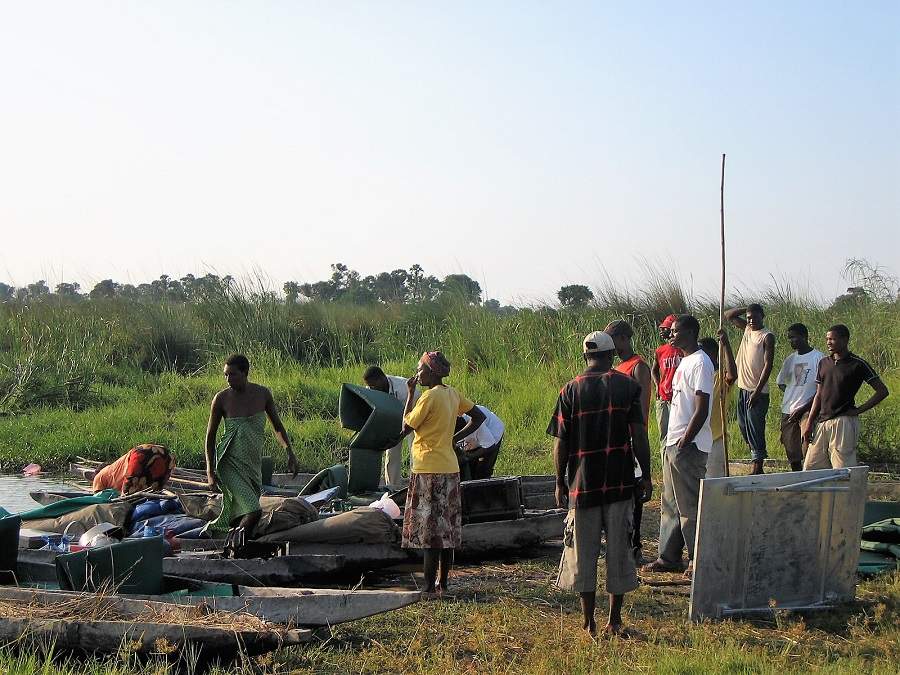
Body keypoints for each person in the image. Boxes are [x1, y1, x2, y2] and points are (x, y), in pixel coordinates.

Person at [548, 331, 652, 637]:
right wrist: (645, 475)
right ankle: (614, 620)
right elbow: (640, 436)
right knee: (619, 551)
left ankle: (588, 622)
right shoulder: (627, 386)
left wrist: (559, 482)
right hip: (619, 483)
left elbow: (561, 443)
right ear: (610, 355)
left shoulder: (570, 390)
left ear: (586, 357)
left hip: (583, 486)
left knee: (584, 553)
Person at [393, 351, 485, 597]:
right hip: (450, 468)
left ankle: (427, 587)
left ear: (431, 372)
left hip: (428, 469)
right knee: (447, 530)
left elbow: (406, 425)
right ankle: (443, 584)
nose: (417, 373)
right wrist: (452, 439)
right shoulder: (452, 394)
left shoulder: (428, 397)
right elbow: (479, 417)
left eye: (420, 369)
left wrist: (410, 394)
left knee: (430, 531)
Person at [642, 315, 714, 580]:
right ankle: (669, 556)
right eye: (670, 331)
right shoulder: (684, 361)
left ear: (692, 332)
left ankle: (698, 559)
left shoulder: (701, 362)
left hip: (689, 445)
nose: (672, 335)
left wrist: (686, 439)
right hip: (673, 441)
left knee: (690, 505)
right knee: (671, 503)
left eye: (677, 331)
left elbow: (701, 408)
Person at [204, 354, 299, 540]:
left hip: (252, 465)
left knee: (243, 511)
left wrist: (290, 452)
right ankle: (235, 546)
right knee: (254, 511)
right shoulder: (221, 399)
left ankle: (237, 546)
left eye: (232, 374)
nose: (228, 379)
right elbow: (210, 436)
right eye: (225, 375)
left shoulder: (262, 394)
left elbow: (277, 427)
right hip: (229, 463)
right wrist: (209, 470)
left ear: (245, 372)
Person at [802, 325, 889, 469]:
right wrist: (810, 422)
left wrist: (858, 410)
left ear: (845, 340)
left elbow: (882, 391)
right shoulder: (824, 363)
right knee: (811, 468)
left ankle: (852, 492)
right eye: (827, 339)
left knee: (843, 470)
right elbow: (819, 394)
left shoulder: (857, 364)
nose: (829, 342)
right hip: (822, 421)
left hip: (843, 422)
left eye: (833, 339)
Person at [605, 319, 652, 563]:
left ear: (623, 338)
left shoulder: (638, 367)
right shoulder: (613, 368)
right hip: (614, 441)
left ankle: (635, 546)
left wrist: (637, 440)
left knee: (635, 494)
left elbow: (641, 410)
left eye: (611, 339)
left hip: (632, 439)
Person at [726, 304, 776, 474]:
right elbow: (729, 315)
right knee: (743, 425)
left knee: (755, 427)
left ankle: (758, 464)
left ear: (763, 316)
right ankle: (755, 455)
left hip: (757, 391)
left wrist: (757, 391)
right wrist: (746, 307)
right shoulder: (748, 329)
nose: (752, 320)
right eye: (749, 318)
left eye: (755, 317)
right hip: (743, 387)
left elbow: (768, 365)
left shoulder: (767, 336)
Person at [776, 324, 825, 471]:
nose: (791, 341)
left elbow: (821, 390)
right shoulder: (790, 359)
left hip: (808, 409)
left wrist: (805, 405)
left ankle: (808, 475)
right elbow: (781, 382)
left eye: (794, 337)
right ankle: (797, 476)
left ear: (804, 336)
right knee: (791, 449)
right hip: (789, 409)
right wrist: (792, 393)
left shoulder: (818, 358)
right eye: (789, 338)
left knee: (807, 444)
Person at [363, 365, 420, 489]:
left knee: (414, 450)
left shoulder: (403, 389)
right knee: (391, 452)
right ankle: (392, 488)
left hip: (413, 412)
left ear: (382, 378)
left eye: (374, 385)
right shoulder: (372, 389)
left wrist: (400, 435)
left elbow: (409, 421)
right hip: (393, 416)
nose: (372, 388)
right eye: (370, 386)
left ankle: (415, 486)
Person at [699, 331, 737, 478]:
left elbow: (733, 375)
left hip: (715, 438)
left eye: (701, 350)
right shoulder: (700, 375)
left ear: (712, 353)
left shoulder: (720, 376)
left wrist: (726, 345)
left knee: (714, 481)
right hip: (699, 437)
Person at [651, 315, 683, 455]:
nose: (662, 331)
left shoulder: (683, 349)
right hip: (663, 397)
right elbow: (654, 370)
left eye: (665, 328)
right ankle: (665, 463)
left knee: (677, 433)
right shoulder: (660, 350)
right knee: (664, 434)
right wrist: (658, 385)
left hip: (678, 398)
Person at [92, 444, 176, 495]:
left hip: (141, 453)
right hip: (167, 455)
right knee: (153, 493)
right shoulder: (115, 469)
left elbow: (98, 499)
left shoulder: (99, 476)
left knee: (127, 500)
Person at [455, 404, 505, 480]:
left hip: (492, 437)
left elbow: (490, 446)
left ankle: (484, 489)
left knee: (482, 472)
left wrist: (468, 457)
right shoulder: (447, 424)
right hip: (475, 439)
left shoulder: (475, 425)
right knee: (468, 469)